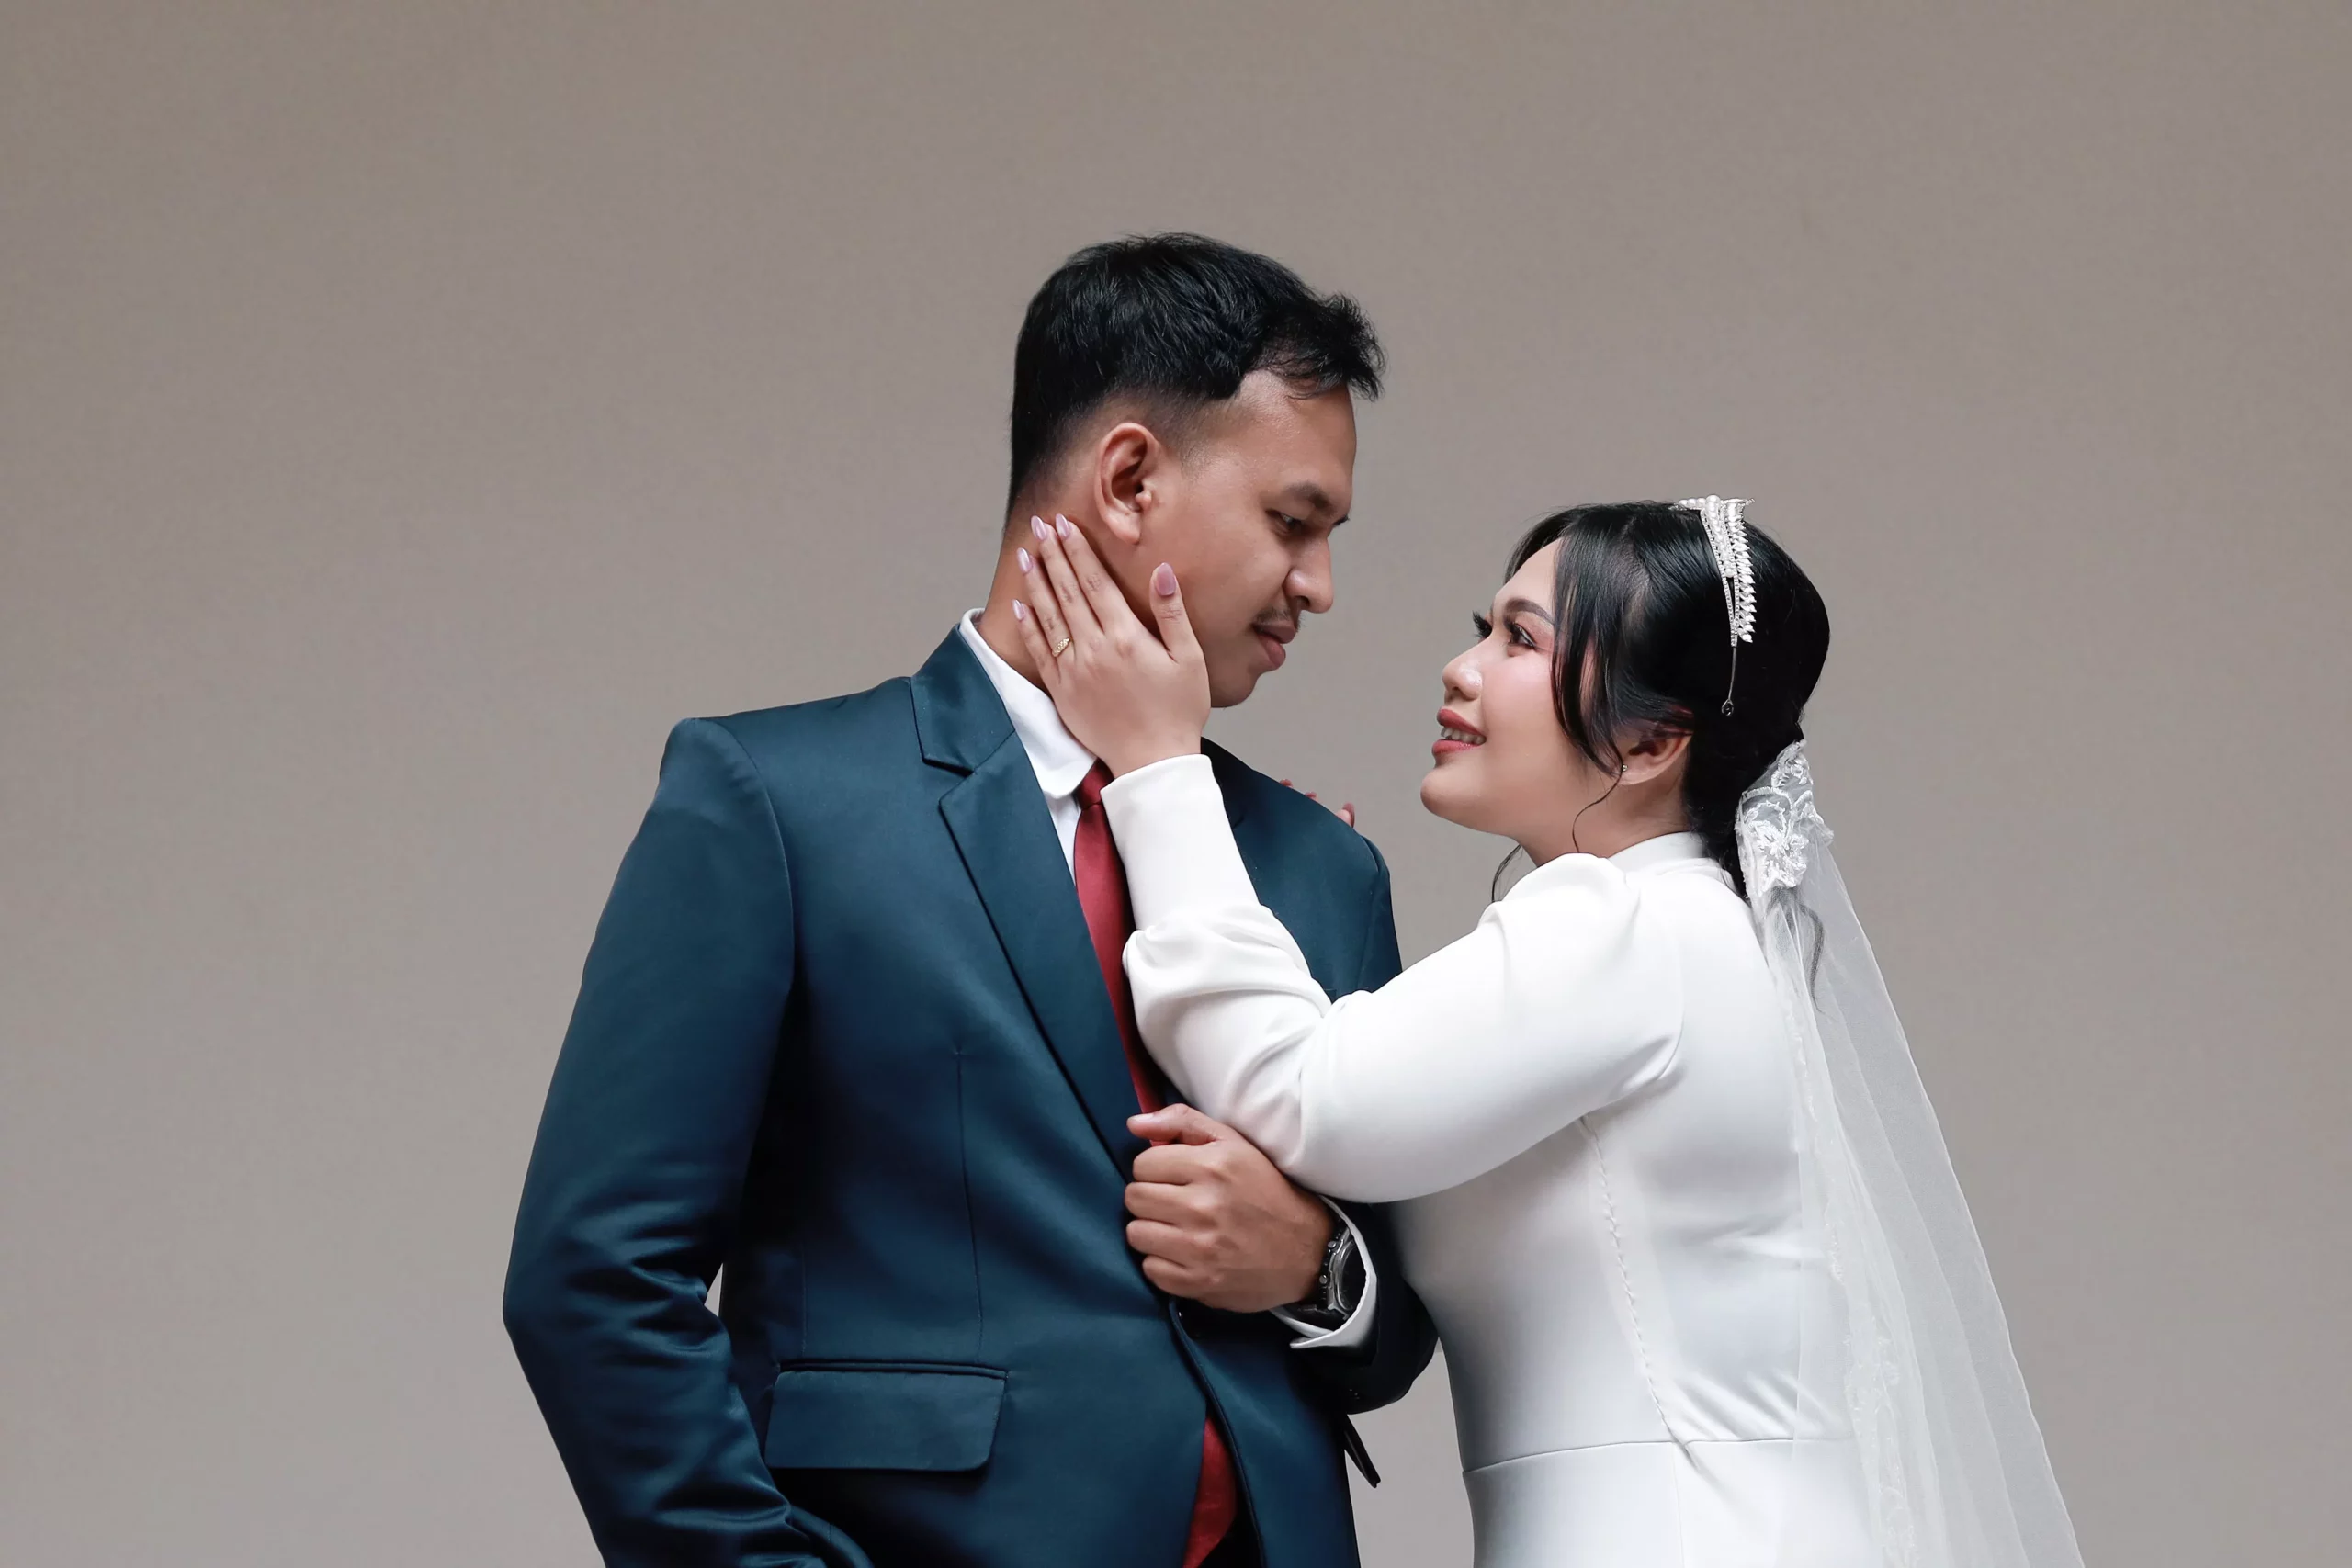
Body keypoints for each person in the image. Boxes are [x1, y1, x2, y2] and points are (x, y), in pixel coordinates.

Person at [502, 235, 1437, 1568]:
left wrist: (1314, 1266)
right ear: (1129, 478)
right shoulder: (780, 805)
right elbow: (596, 1278)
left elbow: (1400, 1320)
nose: (1319, 588)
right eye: (1294, 522)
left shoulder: (1317, 868)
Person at [1010, 500, 2085, 1568]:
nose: (1461, 669)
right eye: (1485, 628)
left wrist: (1158, 769)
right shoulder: (1683, 931)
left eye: (1520, 641)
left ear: (1653, 739)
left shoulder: (1629, 927)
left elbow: (1303, 1096)